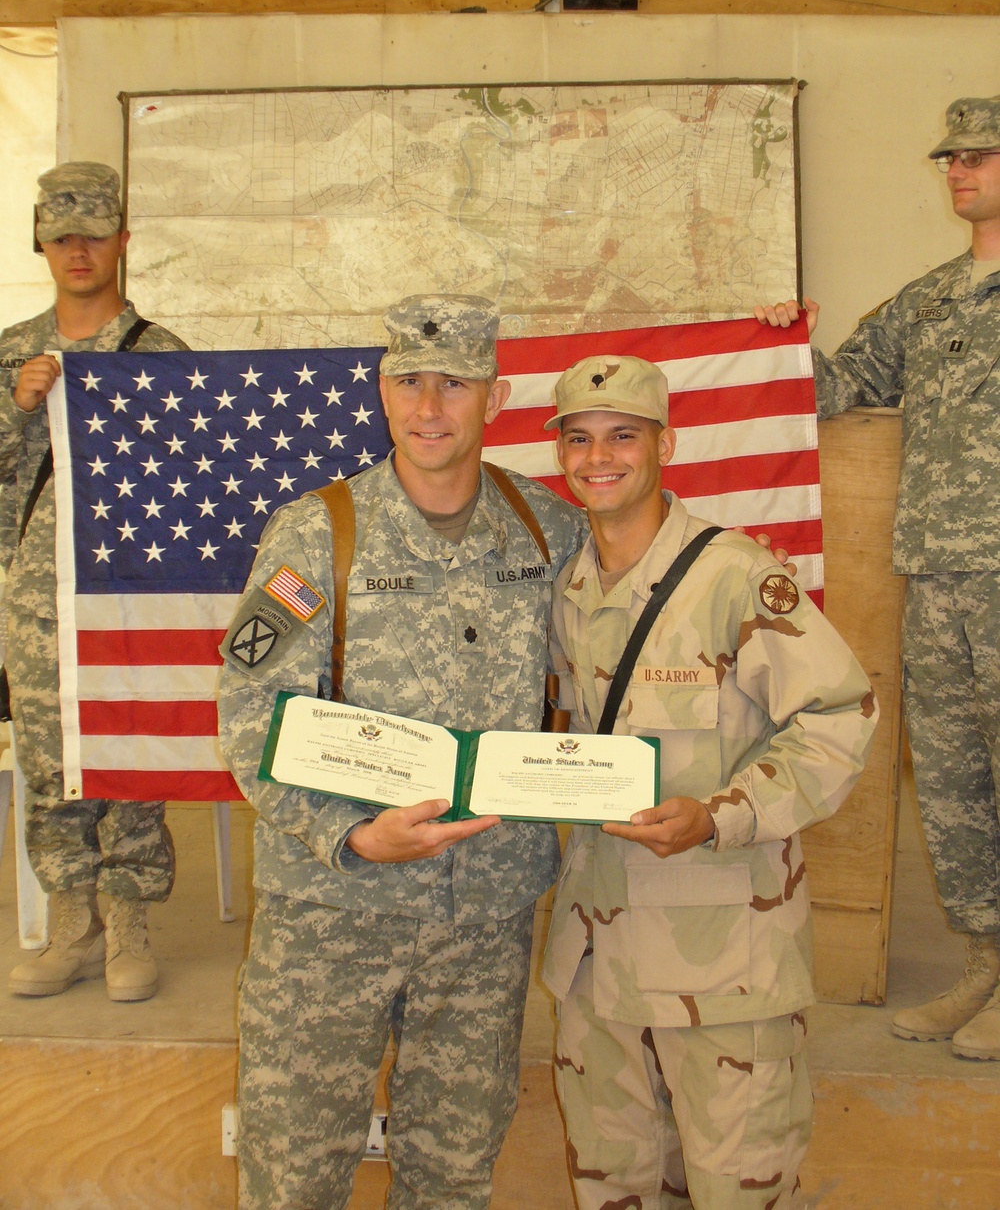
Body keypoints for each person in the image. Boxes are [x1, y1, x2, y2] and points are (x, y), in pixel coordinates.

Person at [216, 294, 585, 1210]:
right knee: (294, 1170)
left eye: (454, 383)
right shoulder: (315, 533)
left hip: (486, 911)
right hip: (330, 912)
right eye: (409, 381)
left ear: (493, 397)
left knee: (454, 1174)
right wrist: (351, 836)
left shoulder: (548, 530)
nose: (430, 405)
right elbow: (250, 709)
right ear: (381, 392)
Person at [541, 354, 878, 1209]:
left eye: (623, 434)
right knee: (612, 1189)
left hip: (722, 967)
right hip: (597, 959)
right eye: (578, 438)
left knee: (739, 1193)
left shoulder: (732, 577)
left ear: (666, 443)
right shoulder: (568, 588)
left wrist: (721, 813)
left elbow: (840, 717)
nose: (599, 455)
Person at [756, 94, 1000, 1062]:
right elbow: (837, 383)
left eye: (979, 154)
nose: (957, 169)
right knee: (954, 786)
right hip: (936, 579)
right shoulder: (929, 300)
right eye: (949, 156)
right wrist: (778, 339)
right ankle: (986, 961)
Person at [3, 162, 186, 1002]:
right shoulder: (11, 353)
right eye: (61, 232)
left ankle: (130, 928)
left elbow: (195, 477)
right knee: (51, 756)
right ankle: (72, 928)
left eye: (94, 231)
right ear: (41, 242)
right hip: (36, 599)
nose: (78, 248)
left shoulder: (160, 354)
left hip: (129, 592)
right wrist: (17, 411)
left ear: (122, 239)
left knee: (128, 751)